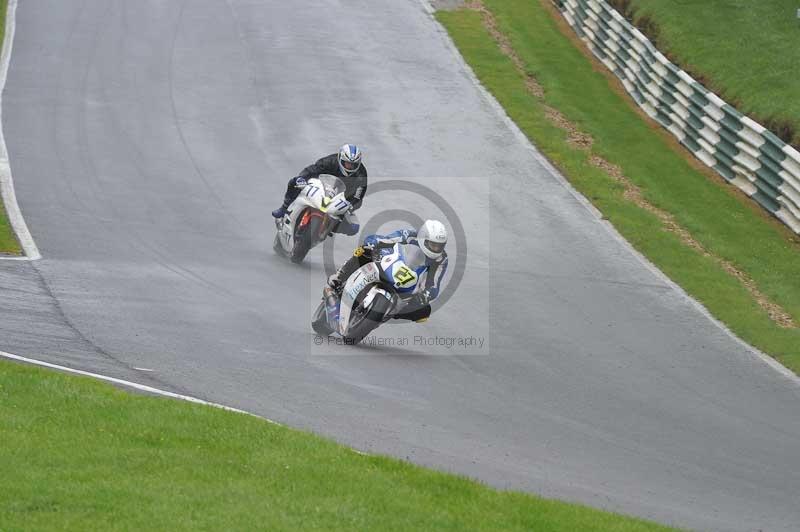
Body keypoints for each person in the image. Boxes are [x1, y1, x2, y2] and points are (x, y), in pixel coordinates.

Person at [327, 220, 448, 322]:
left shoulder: (441, 258)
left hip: (408, 285)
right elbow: (386, 239)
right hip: (389, 264)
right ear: (423, 238)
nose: (436, 249)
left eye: (439, 246)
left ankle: (388, 313)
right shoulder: (408, 235)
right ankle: (340, 276)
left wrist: (426, 295)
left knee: (425, 311)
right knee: (365, 250)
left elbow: (434, 283)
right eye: (433, 245)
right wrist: (374, 242)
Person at [272, 144, 367, 235]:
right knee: (294, 182)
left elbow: (360, 193)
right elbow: (312, 169)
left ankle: (328, 228)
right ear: (340, 159)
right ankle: (284, 208)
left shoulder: (361, 173)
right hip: (321, 187)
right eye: (347, 163)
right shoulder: (329, 161)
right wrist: (302, 178)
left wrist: (351, 204)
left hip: (343, 197)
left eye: (353, 165)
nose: (350, 167)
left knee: (352, 229)